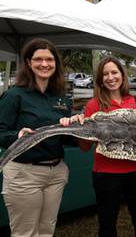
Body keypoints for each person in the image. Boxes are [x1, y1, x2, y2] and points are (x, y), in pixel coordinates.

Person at [0, 38, 82, 237]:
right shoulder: (15, 95)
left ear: (55, 63)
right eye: (38, 59)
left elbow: (64, 137)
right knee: (25, 233)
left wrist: (77, 127)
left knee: (47, 230)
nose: (44, 64)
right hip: (24, 174)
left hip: (56, 172)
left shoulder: (61, 98)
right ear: (28, 63)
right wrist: (16, 135)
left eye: (49, 59)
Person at [79, 56, 136, 237]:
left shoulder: (131, 101)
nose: (110, 77)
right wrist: (79, 129)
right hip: (107, 174)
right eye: (105, 74)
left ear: (122, 75)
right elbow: (84, 147)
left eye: (114, 72)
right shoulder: (93, 105)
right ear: (100, 80)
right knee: (107, 224)